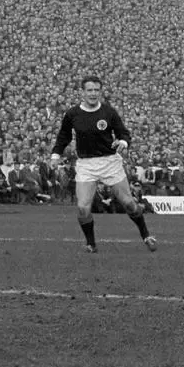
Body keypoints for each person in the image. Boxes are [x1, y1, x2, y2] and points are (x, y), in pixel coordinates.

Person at [50, 75, 158, 253]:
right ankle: (91, 244)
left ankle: (146, 235)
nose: (93, 93)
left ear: (100, 91)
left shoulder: (108, 112)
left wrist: (123, 143)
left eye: (96, 90)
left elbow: (123, 133)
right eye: (89, 90)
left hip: (110, 162)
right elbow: (63, 136)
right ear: (82, 92)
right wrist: (55, 155)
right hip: (86, 164)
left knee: (129, 203)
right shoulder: (72, 114)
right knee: (83, 208)